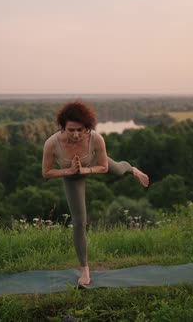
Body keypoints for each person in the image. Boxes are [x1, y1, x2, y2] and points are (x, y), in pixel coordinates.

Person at [41, 100, 149, 285]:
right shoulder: (52, 144)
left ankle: (132, 169)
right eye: (71, 129)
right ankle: (85, 270)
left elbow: (104, 167)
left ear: (88, 128)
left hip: (92, 162)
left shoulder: (96, 139)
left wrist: (85, 170)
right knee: (79, 222)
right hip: (72, 174)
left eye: (80, 130)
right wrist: (70, 171)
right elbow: (46, 173)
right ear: (63, 127)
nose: (75, 134)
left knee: (118, 169)